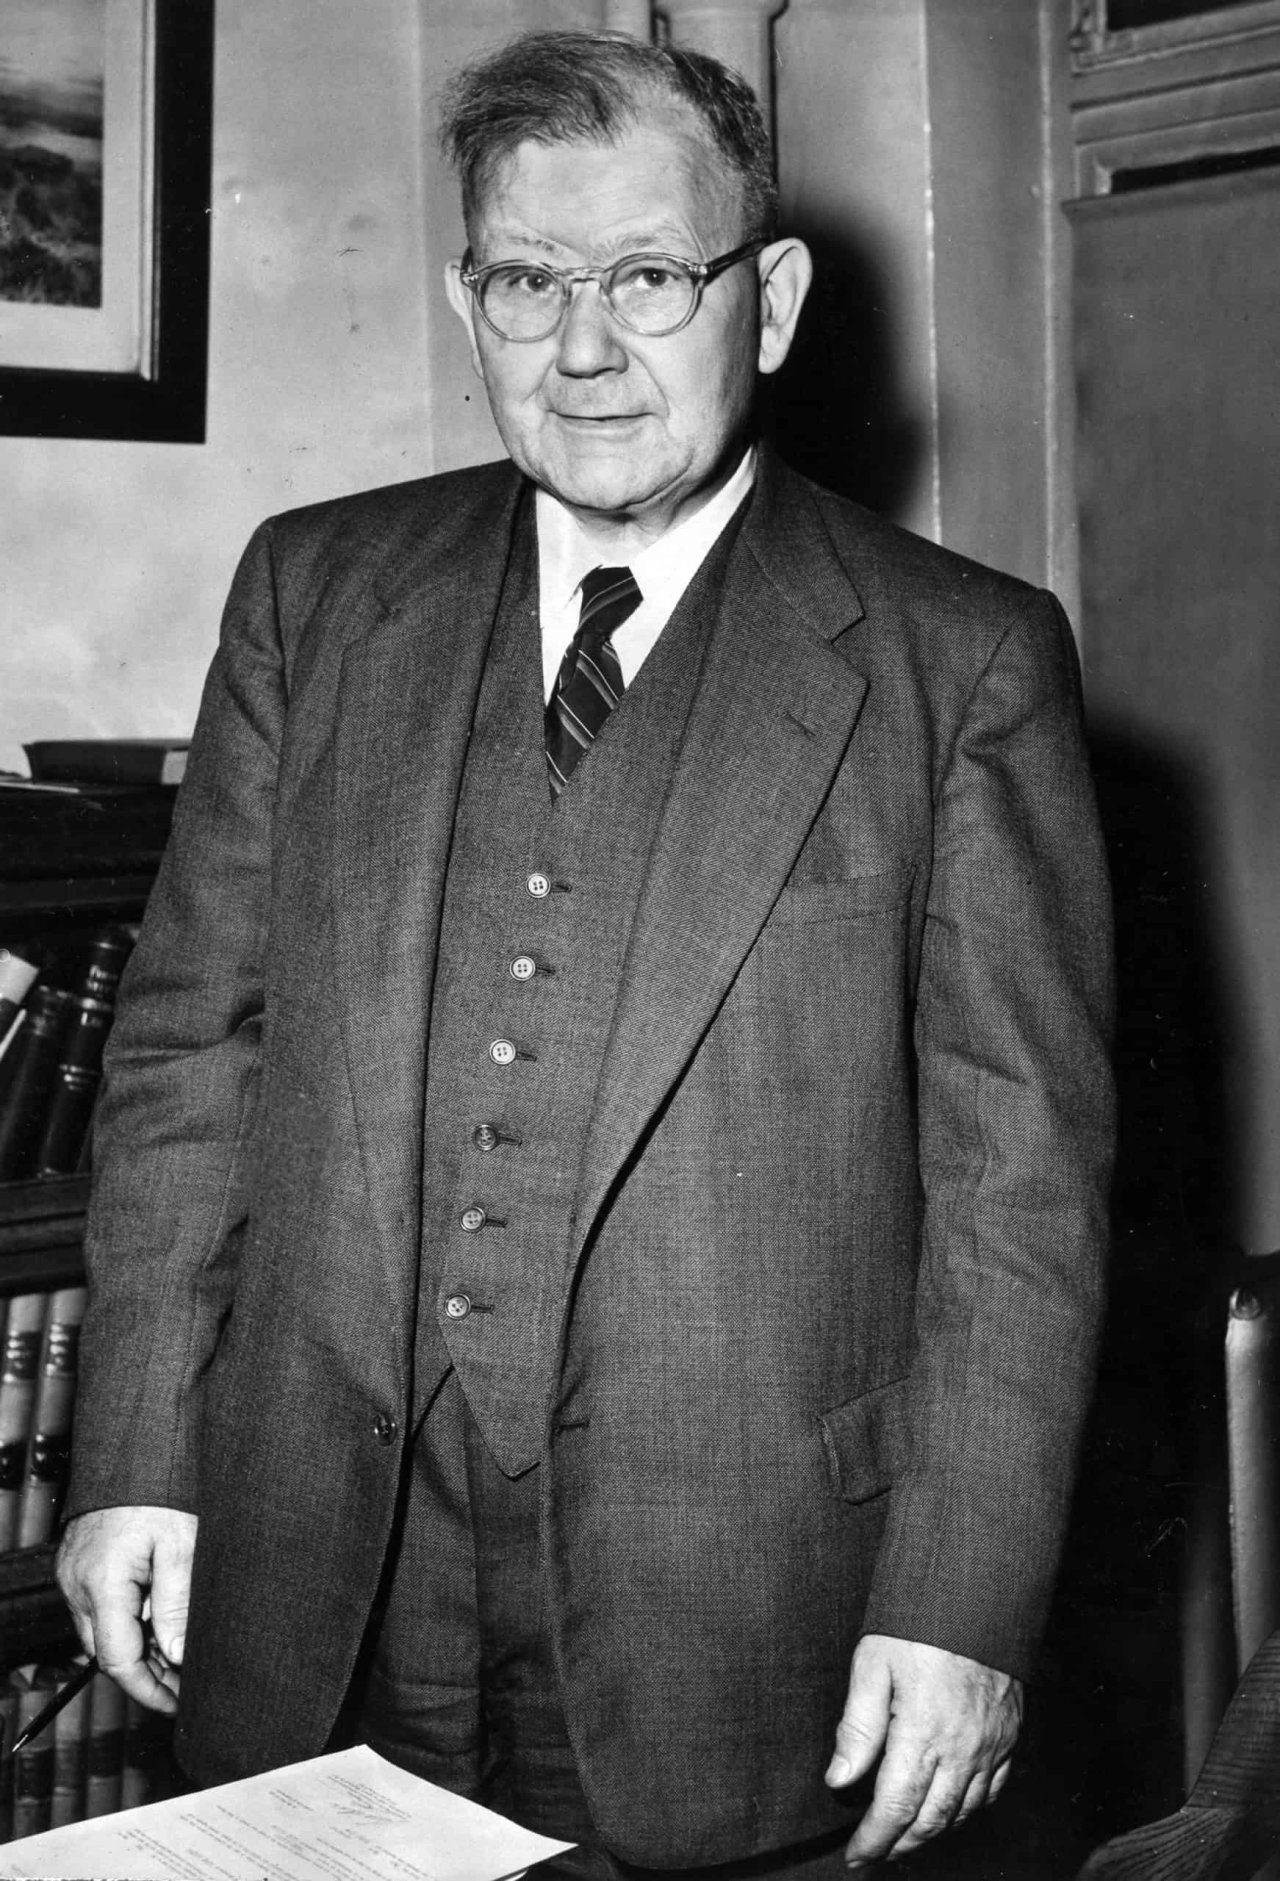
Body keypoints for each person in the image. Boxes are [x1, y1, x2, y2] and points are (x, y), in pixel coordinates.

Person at [56, 28, 1114, 1881]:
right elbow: (189, 1055)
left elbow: (1019, 1181)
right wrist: (137, 1448)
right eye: (528, 282)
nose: (583, 349)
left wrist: (961, 1599)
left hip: (754, 1622)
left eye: (647, 277)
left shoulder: (961, 662)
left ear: (770, 301)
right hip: (319, 1590)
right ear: (467, 299)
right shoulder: (314, 594)